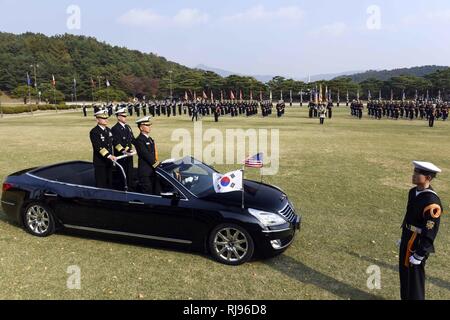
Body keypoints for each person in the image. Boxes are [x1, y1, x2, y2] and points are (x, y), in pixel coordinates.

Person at [399, 161, 443, 300]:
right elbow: (409, 217)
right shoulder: (413, 192)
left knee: (415, 280)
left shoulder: (431, 201)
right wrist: (404, 238)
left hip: (418, 244)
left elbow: (430, 231)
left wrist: (420, 253)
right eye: (414, 172)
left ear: (428, 178)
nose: (414, 175)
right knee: (405, 275)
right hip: (407, 237)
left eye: (418, 174)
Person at [89, 109, 116, 189]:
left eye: (106, 118)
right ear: (97, 119)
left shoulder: (108, 130)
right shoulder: (94, 132)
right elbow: (98, 147)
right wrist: (109, 155)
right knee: (101, 184)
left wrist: (124, 150)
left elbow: (114, 142)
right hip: (100, 162)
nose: (106, 120)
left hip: (109, 162)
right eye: (103, 118)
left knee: (109, 182)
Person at [134, 116, 160, 195]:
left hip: (152, 170)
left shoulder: (149, 139)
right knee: (148, 193)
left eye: (149, 125)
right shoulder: (139, 140)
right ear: (141, 128)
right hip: (145, 172)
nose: (149, 127)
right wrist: (157, 164)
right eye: (147, 125)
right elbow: (146, 155)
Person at [111, 107, 135, 190]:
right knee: (122, 176)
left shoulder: (128, 127)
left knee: (130, 174)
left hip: (129, 155)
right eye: (123, 116)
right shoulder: (115, 129)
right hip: (122, 156)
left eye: (126, 116)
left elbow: (132, 139)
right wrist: (123, 151)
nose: (125, 118)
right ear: (118, 117)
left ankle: (131, 189)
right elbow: (116, 143)